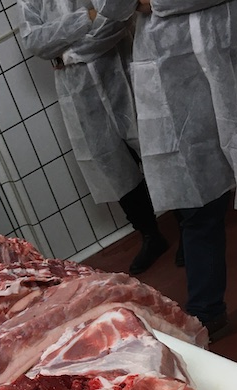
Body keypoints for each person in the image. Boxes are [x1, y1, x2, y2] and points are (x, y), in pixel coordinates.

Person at [95, 0, 237, 339]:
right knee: (196, 198)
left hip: (233, 41)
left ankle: (206, 311)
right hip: (171, 69)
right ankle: (207, 312)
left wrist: (154, 2)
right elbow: (111, 6)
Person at [17, 0, 169, 275]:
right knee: (113, 165)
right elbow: (35, 42)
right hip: (77, 89)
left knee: (154, 148)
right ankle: (150, 234)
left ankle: (186, 222)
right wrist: (86, 17)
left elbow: (115, 20)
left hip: (120, 69)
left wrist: (68, 53)